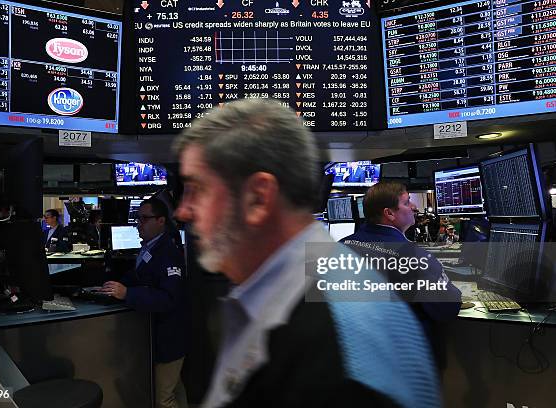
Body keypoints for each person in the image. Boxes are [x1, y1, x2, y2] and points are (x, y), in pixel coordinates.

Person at [173, 99, 441, 408]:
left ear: (258, 198)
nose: (182, 211)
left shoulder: (338, 344)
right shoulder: (283, 295)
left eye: (198, 189)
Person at [339, 182, 462, 369]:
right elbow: (449, 307)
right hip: (405, 363)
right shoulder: (413, 257)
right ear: (389, 213)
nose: (413, 207)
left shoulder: (340, 247)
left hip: (352, 360)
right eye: (407, 202)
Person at [101, 198, 189, 408]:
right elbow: (138, 276)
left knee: (163, 398)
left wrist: (127, 294)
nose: (138, 223)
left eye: (144, 218)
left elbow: (168, 298)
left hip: (170, 336)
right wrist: (114, 286)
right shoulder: (150, 248)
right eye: (137, 218)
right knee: (174, 388)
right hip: (156, 335)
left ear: (160, 221)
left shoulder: (168, 253)